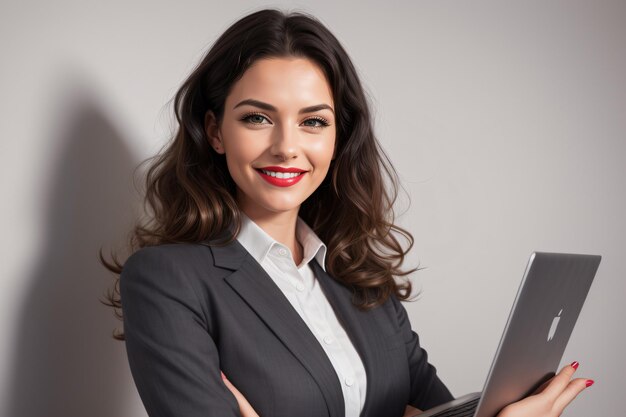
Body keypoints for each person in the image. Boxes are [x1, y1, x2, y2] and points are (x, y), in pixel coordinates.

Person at [100, 8, 593, 417]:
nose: (286, 147)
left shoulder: (360, 278)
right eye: (257, 118)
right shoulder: (167, 280)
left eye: (313, 121)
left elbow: (431, 406)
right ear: (214, 131)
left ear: (337, 139)